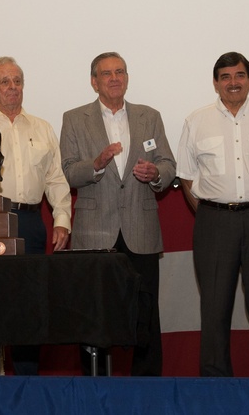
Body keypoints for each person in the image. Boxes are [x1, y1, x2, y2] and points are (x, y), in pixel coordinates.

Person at [60, 52, 176, 376]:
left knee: (145, 316)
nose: (114, 78)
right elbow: (69, 172)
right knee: (93, 315)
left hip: (140, 231)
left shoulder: (148, 116)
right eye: (106, 73)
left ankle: (147, 389)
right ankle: (96, 387)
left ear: (127, 77)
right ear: (94, 81)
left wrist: (155, 173)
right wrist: (95, 165)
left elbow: (169, 165)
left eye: (120, 72)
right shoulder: (74, 118)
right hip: (95, 234)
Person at [0, 56, 72, 375]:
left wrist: (61, 220)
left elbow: (55, 179)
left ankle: (27, 383)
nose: (13, 88)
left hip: (30, 225)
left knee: (28, 306)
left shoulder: (43, 128)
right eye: (5, 82)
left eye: (17, 81)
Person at [176, 52, 249, 377]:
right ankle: (215, 381)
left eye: (239, 75)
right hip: (214, 222)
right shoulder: (197, 121)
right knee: (214, 306)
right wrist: (213, 211)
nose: (233, 82)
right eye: (225, 77)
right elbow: (186, 175)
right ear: (216, 83)